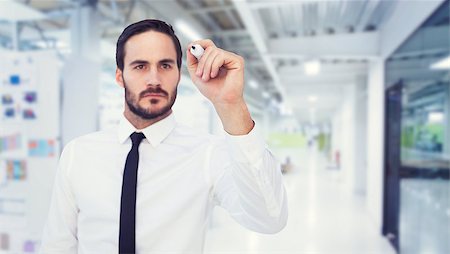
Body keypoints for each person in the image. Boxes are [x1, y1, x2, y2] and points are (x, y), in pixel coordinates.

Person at [39, 19, 288, 254]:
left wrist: (232, 104)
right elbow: (57, 245)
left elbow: (270, 218)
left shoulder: (207, 154)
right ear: (119, 76)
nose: (154, 79)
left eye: (165, 65)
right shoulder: (79, 153)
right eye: (140, 66)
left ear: (179, 74)